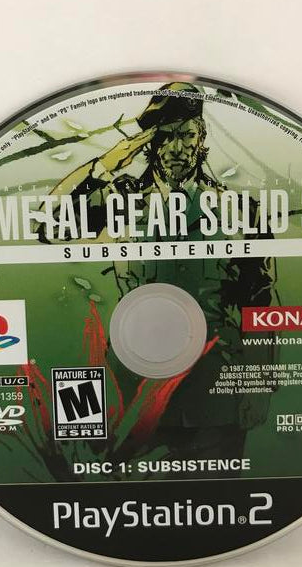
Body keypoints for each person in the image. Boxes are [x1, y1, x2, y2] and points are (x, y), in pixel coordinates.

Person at [39, 82, 276, 465]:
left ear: (202, 138)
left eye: (186, 135)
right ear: (148, 143)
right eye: (165, 137)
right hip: (130, 395)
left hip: (214, 395)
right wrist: (104, 165)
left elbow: (261, 303)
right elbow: (47, 226)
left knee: (218, 499)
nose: (176, 148)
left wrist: (260, 383)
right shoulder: (120, 200)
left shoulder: (239, 209)